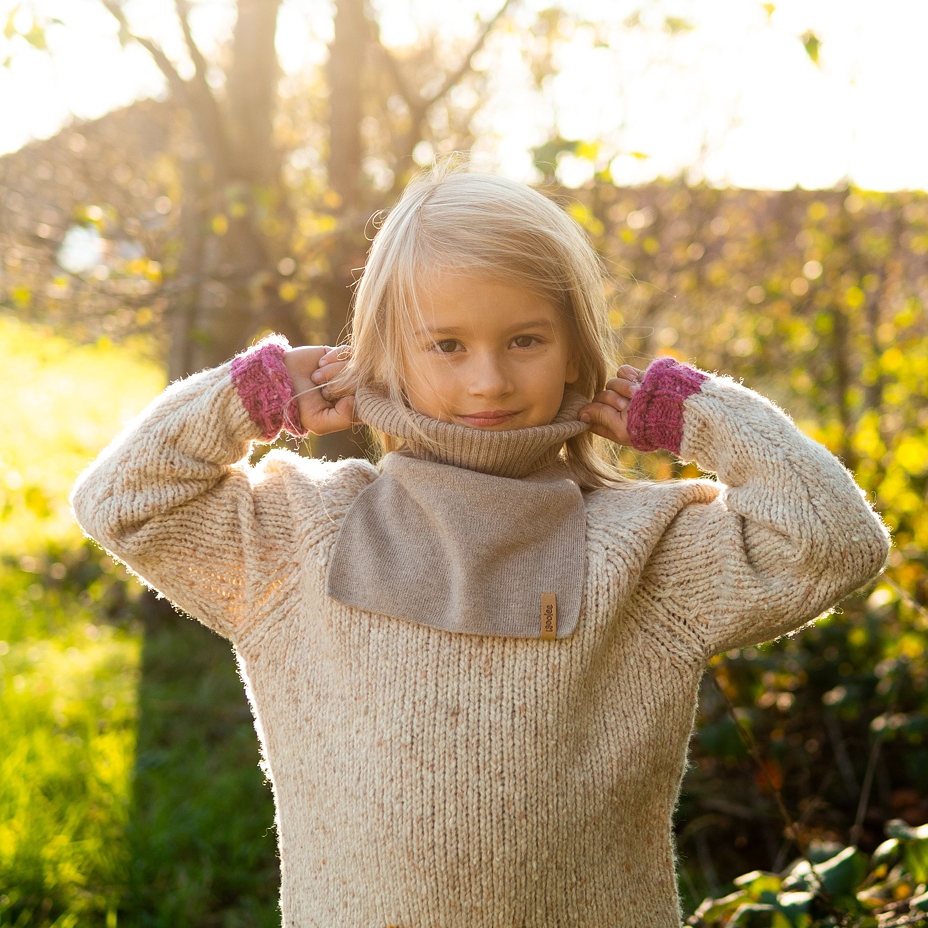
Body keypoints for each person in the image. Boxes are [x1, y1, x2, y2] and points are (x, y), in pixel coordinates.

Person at [71, 167, 889, 927]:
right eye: (447, 345)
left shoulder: (646, 550)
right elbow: (123, 501)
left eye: (526, 340)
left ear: (578, 346)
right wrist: (254, 394)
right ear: (385, 351)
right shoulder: (298, 533)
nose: (488, 381)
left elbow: (832, 540)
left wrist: (695, 414)